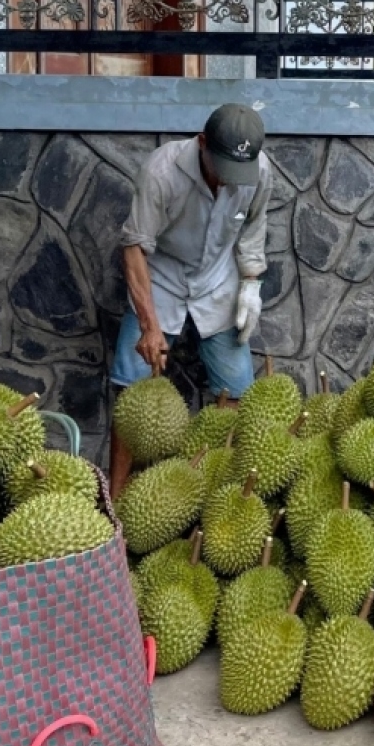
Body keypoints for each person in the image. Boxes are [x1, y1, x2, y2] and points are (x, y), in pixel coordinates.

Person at [108, 103, 273, 499]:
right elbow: (134, 248)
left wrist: (251, 283)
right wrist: (149, 324)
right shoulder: (162, 170)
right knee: (131, 388)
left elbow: (253, 228)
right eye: (222, 168)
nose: (229, 180)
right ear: (202, 143)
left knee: (236, 391)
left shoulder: (259, 171)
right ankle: (114, 500)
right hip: (160, 278)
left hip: (218, 280)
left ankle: (213, 493)